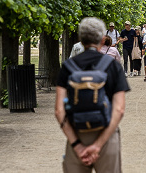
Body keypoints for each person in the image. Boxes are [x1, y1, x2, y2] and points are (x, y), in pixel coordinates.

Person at [55, 17, 130, 173]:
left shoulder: (68, 67)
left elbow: (59, 111)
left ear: (81, 40)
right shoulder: (113, 66)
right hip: (106, 136)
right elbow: (119, 110)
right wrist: (98, 145)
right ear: (103, 40)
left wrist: (77, 145)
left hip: (77, 133)